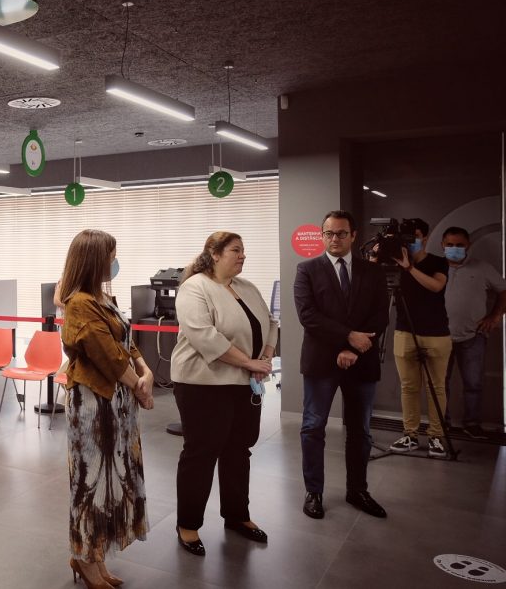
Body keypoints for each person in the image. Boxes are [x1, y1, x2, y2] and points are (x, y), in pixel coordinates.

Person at [171, 231, 277, 556]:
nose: (242, 255)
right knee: (201, 454)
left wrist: (266, 357)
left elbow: (270, 323)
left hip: (244, 383)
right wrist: (249, 362)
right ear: (214, 254)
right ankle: (188, 525)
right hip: (203, 384)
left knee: (238, 451)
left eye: (243, 250)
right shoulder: (195, 287)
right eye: (235, 250)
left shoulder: (246, 287)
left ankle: (237, 516)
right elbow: (205, 336)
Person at [59, 229, 154, 589]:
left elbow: (126, 344)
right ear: (94, 259)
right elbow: (109, 356)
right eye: (111, 254)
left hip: (119, 404)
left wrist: (145, 372)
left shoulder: (103, 297)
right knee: (91, 484)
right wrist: (139, 386)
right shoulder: (79, 303)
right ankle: (85, 557)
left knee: (113, 482)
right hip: (93, 405)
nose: (115, 261)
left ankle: (94, 556)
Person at [294, 210, 389, 520]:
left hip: (362, 361)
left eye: (341, 233)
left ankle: (358, 490)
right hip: (321, 362)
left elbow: (380, 316)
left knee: (360, 430)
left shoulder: (373, 272)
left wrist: (353, 348)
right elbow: (308, 316)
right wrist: (348, 338)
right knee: (313, 427)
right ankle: (314, 491)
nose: (334, 239)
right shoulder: (307, 270)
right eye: (329, 233)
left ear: (353, 236)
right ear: (322, 235)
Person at [384, 218, 452, 458]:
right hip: (404, 332)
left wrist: (409, 268)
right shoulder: (393, 263)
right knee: (409, 387)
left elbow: (436, 286)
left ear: (425, 237)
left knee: (436, 387)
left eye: (414, 236)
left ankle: (436, 436)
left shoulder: (438, 262)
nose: (410, 241)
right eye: (406, 237)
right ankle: (410, 435)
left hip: (437, 334)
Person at [442, 226, 506, 439]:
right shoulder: (436, 267)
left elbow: (504, 291)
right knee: (440, 384)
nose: (454, 248)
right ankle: (441, 424)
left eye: (459, 245)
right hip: (440, 337)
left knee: (473, 383)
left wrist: (494, 317)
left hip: (473, 336)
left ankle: (472, 424)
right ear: (442, 245)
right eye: (450, 244)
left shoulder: (482, 268)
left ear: (468, 245)